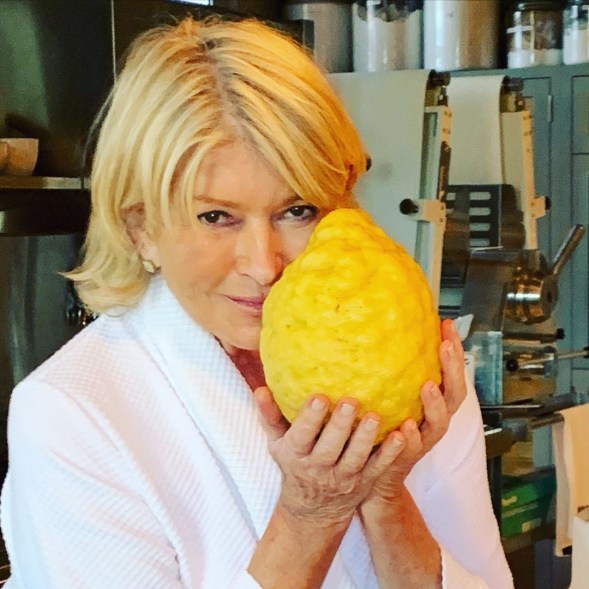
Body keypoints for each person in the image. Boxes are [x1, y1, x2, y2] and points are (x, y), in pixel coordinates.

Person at [0, 16, 513, 589]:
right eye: (216, 216)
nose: (264, 264)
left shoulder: (414, 365)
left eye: (296, 210)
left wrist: (385, 498)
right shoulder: (73, 412)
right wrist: (310, 513)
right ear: (140, 228)